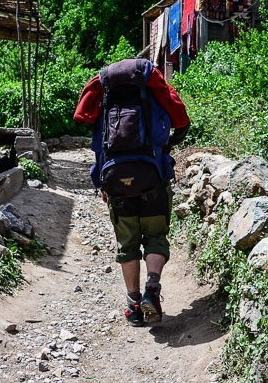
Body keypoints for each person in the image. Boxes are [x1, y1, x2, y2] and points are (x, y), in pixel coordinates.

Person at [74, 58, 189, 326]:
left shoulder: (105, 99)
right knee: (156, 236)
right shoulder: (157, 93)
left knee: (127, 246)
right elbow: (182, 121)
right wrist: (168, 145)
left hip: (116, 183)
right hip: (153, 179)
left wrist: (101, 183)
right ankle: (152, 287)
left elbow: (92, 138)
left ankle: (134, 305)